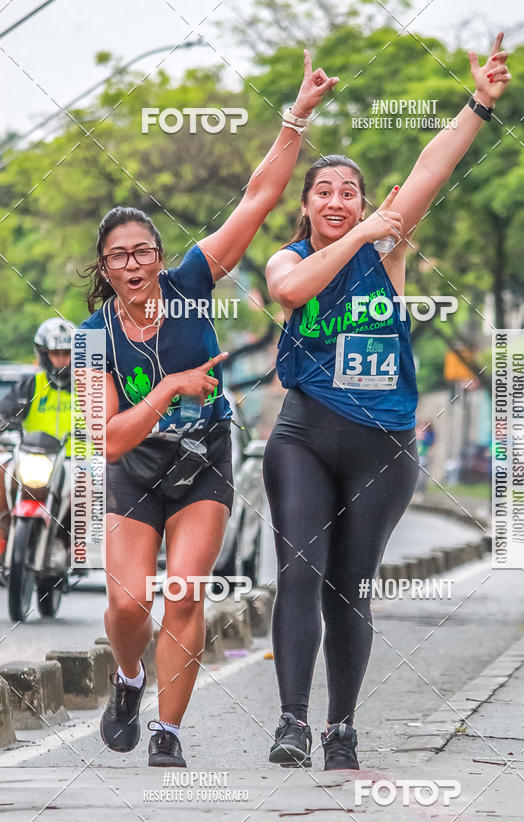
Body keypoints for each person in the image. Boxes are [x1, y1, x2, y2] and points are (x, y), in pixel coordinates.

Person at [77, 51, 338, 768]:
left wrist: (297, 117)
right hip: (136, 468)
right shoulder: (92, 337)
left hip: (203, 463)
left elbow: (257, 197)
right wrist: (167, 389)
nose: (134, 264)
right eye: (118, 256)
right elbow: (106, 443)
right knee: (130, 607)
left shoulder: (192, 279)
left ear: (160, 257)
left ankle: (169, 731)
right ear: (104, 270)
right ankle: (128, 678)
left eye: (144, 251)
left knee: (186, 592)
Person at [264, 34, 511, 770]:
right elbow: (291, 293)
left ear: (367, 202)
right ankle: (290, 724)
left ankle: (341, 727)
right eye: (324, 193)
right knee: (300, 571)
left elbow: (431, 166)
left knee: (349, 585)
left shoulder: (388, 250)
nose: (338, 201)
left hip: (385, 447)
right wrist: (363, 232)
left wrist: (479, 104)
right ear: (307, 209)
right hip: (305, 437)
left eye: (351, 193)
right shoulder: (292, 258)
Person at [0, 318, 74, 562]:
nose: (62, 360)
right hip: (32, 458)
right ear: (44, 354)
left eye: (67, 353)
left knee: (96, 485)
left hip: (76, 462)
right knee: (2, 470)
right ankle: (4, 535)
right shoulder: (31, 385)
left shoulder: (90, 387)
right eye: (55, 353)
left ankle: (75, 544)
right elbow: (4, 412)